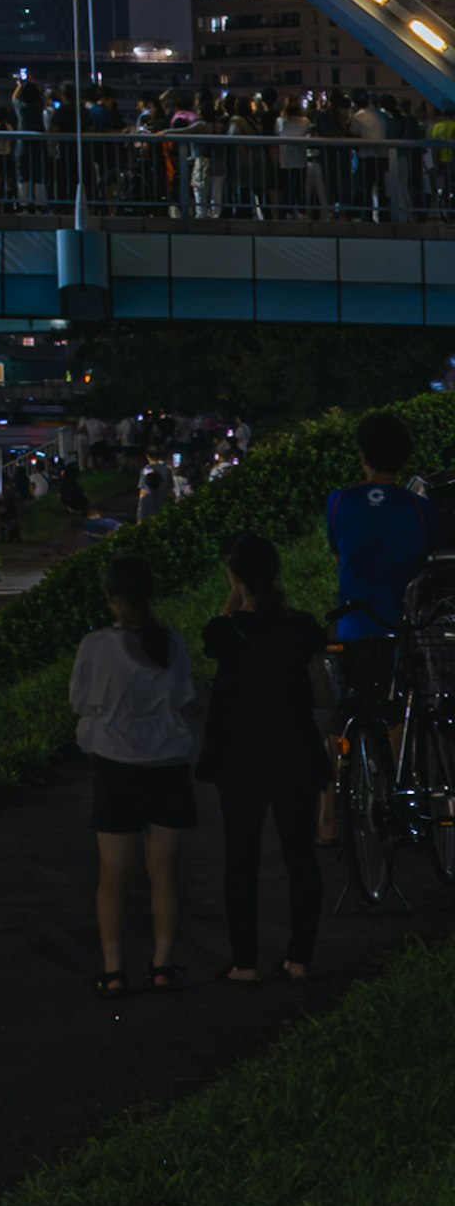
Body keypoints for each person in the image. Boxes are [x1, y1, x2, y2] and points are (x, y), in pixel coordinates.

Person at [201, 526, 328, 981]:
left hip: (241, 756)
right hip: (295, 749)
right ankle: (299, 958)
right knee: (300, 855)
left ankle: (244, 960)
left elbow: (215, 636)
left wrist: (235, 600)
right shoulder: (302, 628)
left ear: (235, 578)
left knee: (242, 857)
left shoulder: (224, 632)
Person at [72, 545, 200, 990]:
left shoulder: (95, 646)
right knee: (164, 874)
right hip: (167, 765)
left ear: (111, 596)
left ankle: (113, 970)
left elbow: (79, 701)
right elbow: (185, 697)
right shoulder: (172, 643)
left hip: (115, 767)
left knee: (113, 878)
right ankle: (162, 965)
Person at [322, 408, 432, 768]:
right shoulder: (420, 510)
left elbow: (341, 558)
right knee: (398, 712)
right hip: (402, 632)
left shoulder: (339, 502)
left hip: (354, 628)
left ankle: (328, 815)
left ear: (363, 456)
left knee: (343, 714)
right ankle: (398, 787)